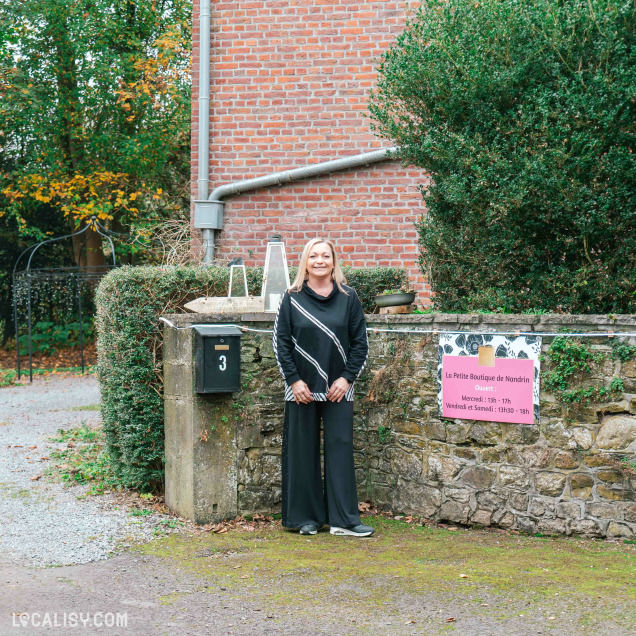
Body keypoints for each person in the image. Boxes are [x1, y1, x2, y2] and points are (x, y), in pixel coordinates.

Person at [273, 237, 374, 537]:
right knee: (302, 452)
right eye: (313, 256)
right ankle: (305, 518)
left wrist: (346, 378)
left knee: (340, 450)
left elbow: (360, 344)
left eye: (325, 256)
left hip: (339, 388)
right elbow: (280, 344)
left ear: (334, 261)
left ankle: (344, 520)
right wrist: (294, 380)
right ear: (305, 261)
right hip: (301, 388)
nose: (319, 261)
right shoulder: (291, 298)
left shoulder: (349, 297)